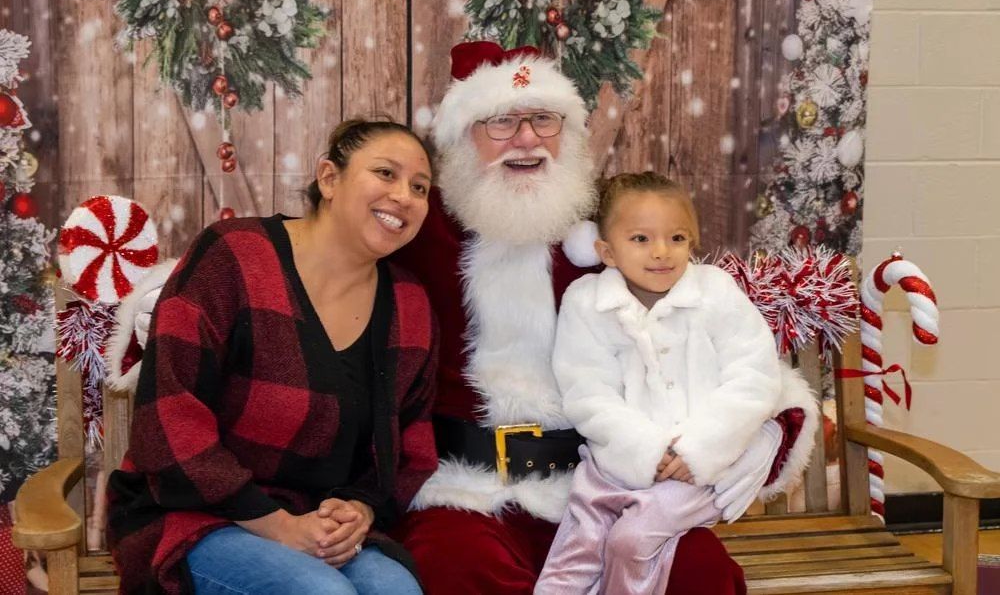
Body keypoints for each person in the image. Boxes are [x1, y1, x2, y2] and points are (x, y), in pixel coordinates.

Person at [389, 41, 819, 595]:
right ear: (461, 137)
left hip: (607, 483)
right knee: (451, 567)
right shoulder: (421, 237)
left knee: (698, 573)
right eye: (500, 122)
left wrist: (754, 437)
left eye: (543, 119)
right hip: (463, 493)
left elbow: (716, 337)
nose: (526, 139)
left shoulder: (616, 237)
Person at [105, 119, 439, 594]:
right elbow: (168, 418)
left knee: (396, 590)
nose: (404, 195)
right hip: (197, 512)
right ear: (328, 178)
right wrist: (276, 525)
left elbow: (408, 444)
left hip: (318, 520)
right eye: (386, 173)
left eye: (420, 187)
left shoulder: (410, 303)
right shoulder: (232, 256)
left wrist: (359, 507)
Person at [534, 172, 816, 594]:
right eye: (641, 239)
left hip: (703, 468)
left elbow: (754, 375)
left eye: (678, 238)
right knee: (573, 562)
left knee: (633, 541)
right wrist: (648, 450)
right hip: (617, 464)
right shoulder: (586, 302)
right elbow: (588, 393)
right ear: (607, 252)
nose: (662, 252)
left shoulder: (715, 292)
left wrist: (698, 447)